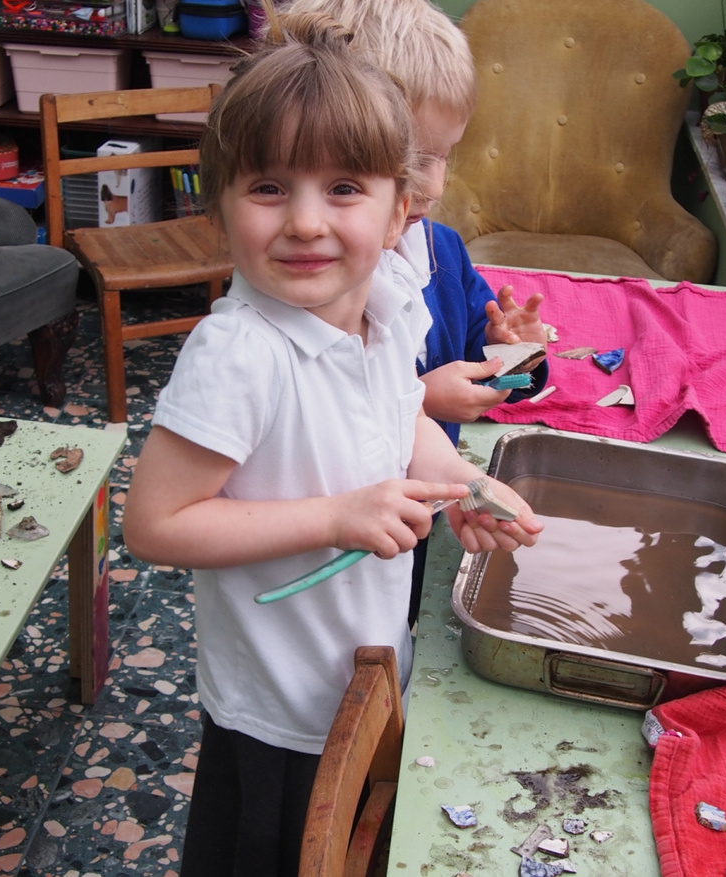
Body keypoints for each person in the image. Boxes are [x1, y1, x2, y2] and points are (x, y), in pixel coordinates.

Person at [121, 13, 542, 876]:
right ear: (220, 203)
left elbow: (403, 418)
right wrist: (335, 515)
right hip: (277, 712)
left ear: (401, 210)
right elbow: (155, 524)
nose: (307, 222)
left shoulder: (388, 298)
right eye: (269, 188)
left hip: (363, 665)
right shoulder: (241, 352)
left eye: (344, 188)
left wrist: (460, 480)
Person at [284, 0, 551, 624]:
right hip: (331, 539)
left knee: (399, 627)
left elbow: (499, 384)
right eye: (414, 161)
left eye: (446, 155)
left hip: (428, 507)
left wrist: (517, 353)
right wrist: (424, 397)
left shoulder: (442, 251)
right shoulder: (317, 279)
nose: (434, 185)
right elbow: (315, 416)